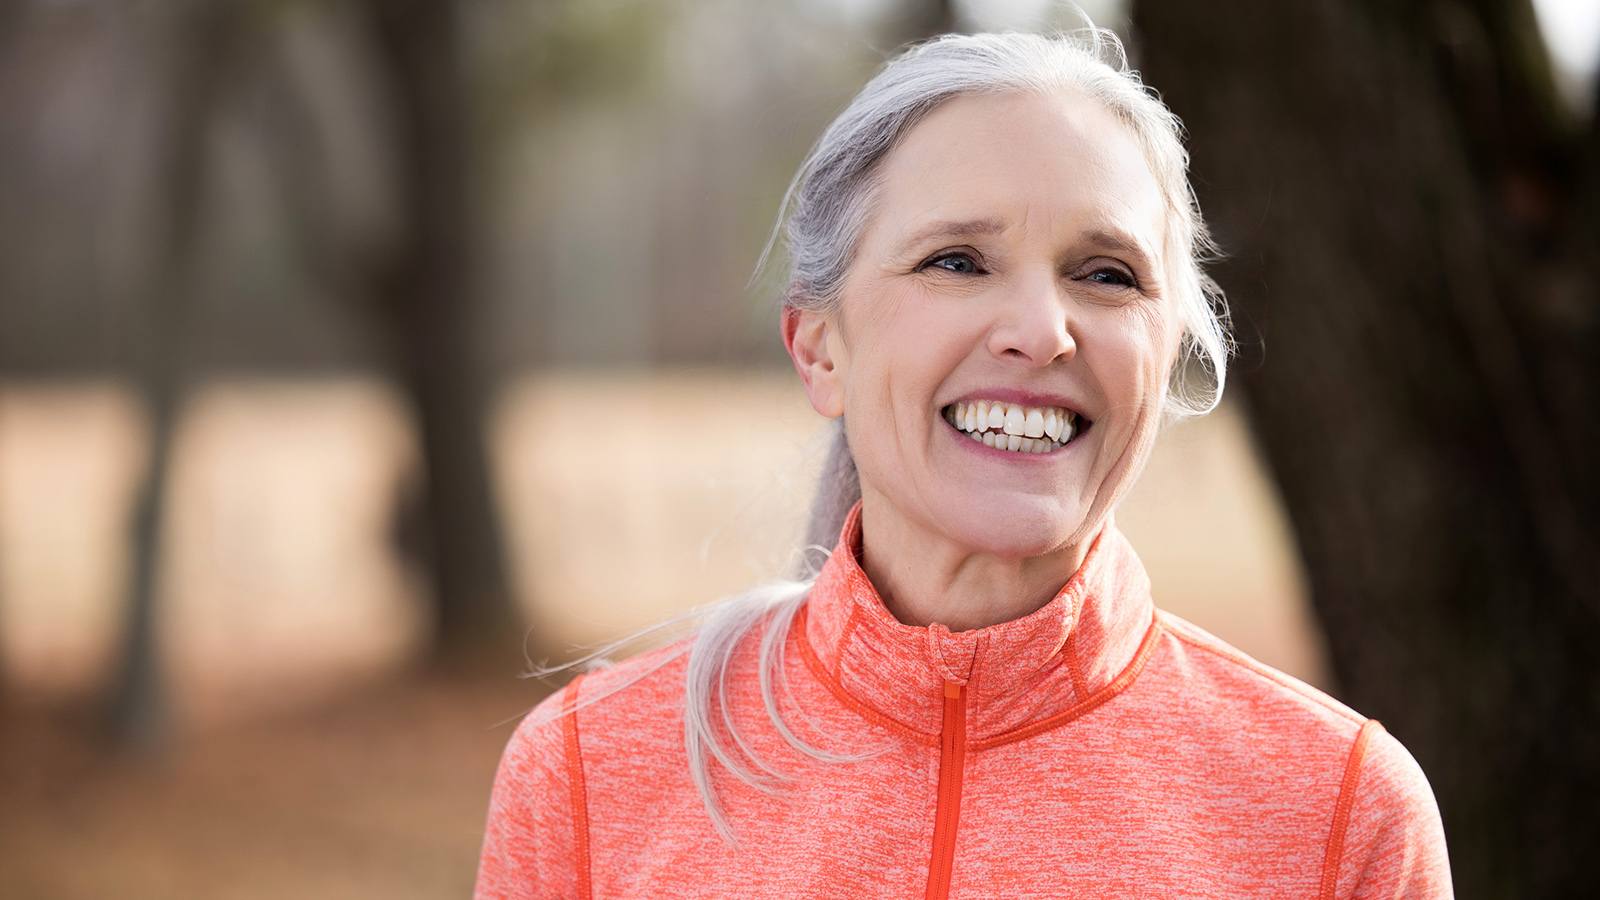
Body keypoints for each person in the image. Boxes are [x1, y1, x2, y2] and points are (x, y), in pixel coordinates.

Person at [475, 30, 1452, 899]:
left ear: (1165, 356)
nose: (1040, 331)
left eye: (1105, 274)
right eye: (956, 261)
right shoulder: (584, 780)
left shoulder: (1338, 813)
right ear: (820, 349)